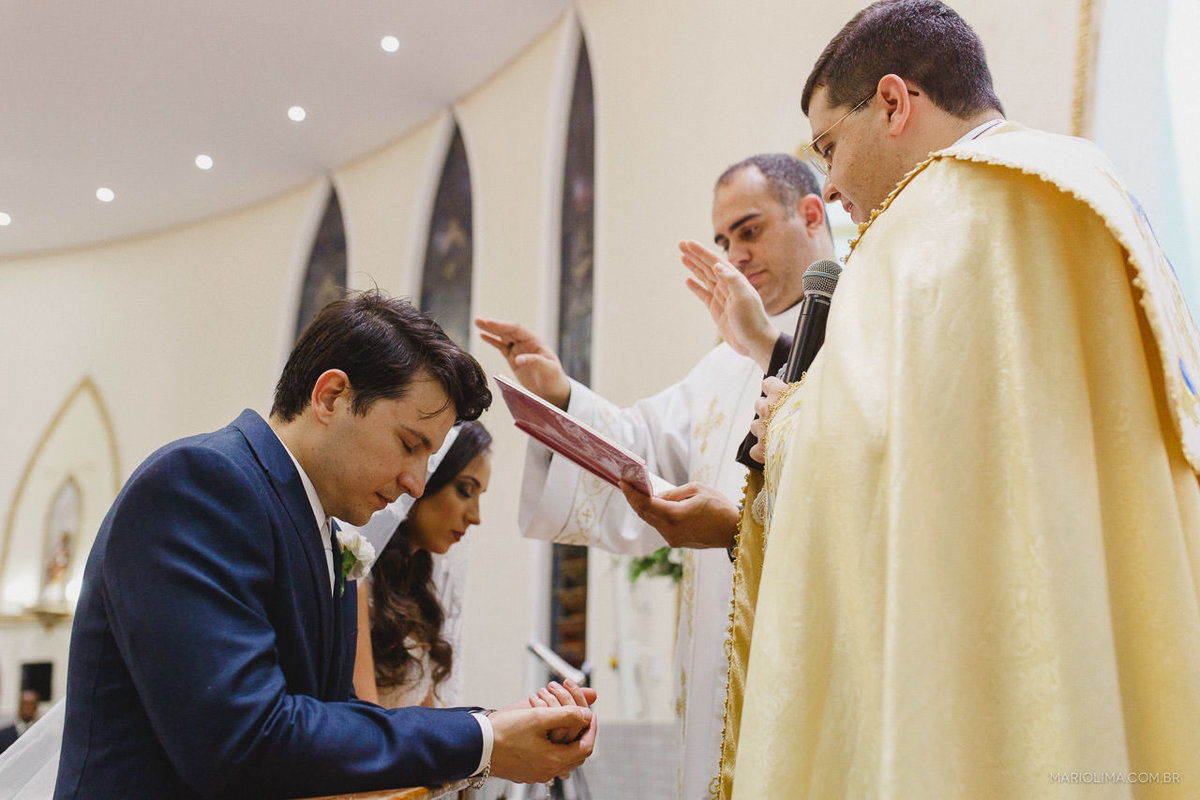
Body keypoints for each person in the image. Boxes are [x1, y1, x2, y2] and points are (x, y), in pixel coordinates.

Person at [717, 1, 1200, 797]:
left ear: (895, 102)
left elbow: (884, 448)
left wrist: (789, 426)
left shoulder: (934, 218)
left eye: (830, 147)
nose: (831, 186)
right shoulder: (1089, 185)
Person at [55, 291, 597, 799]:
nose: (415, 481)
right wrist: (485, 740)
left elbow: (338, 728)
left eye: (428, 459)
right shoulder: (199, 485)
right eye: (409, 445)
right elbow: (243, 740)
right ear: (332, 395)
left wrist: (501, 726)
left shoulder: (330, 534)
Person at [476, 153, 835, 799]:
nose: (733, 256)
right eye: (723, 240)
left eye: (749, 231)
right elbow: (638, 452)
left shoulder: (863, 328)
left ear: (810, 214)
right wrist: (560, 396)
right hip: (715, 681)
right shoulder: (719, 369)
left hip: (816, 666)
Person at [352, 421, 493, 709]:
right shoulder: (357, 583)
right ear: (424, 480)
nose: (475, 517)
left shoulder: (416, 590)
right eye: (466, 490)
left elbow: (427, 720)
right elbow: (370, 728)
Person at [0, 691, 39, 755]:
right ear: (20, 706)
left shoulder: (41, 734)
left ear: (35, 708)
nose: (28, 708)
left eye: (31, 704)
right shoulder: (3, 735)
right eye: (25, 704)